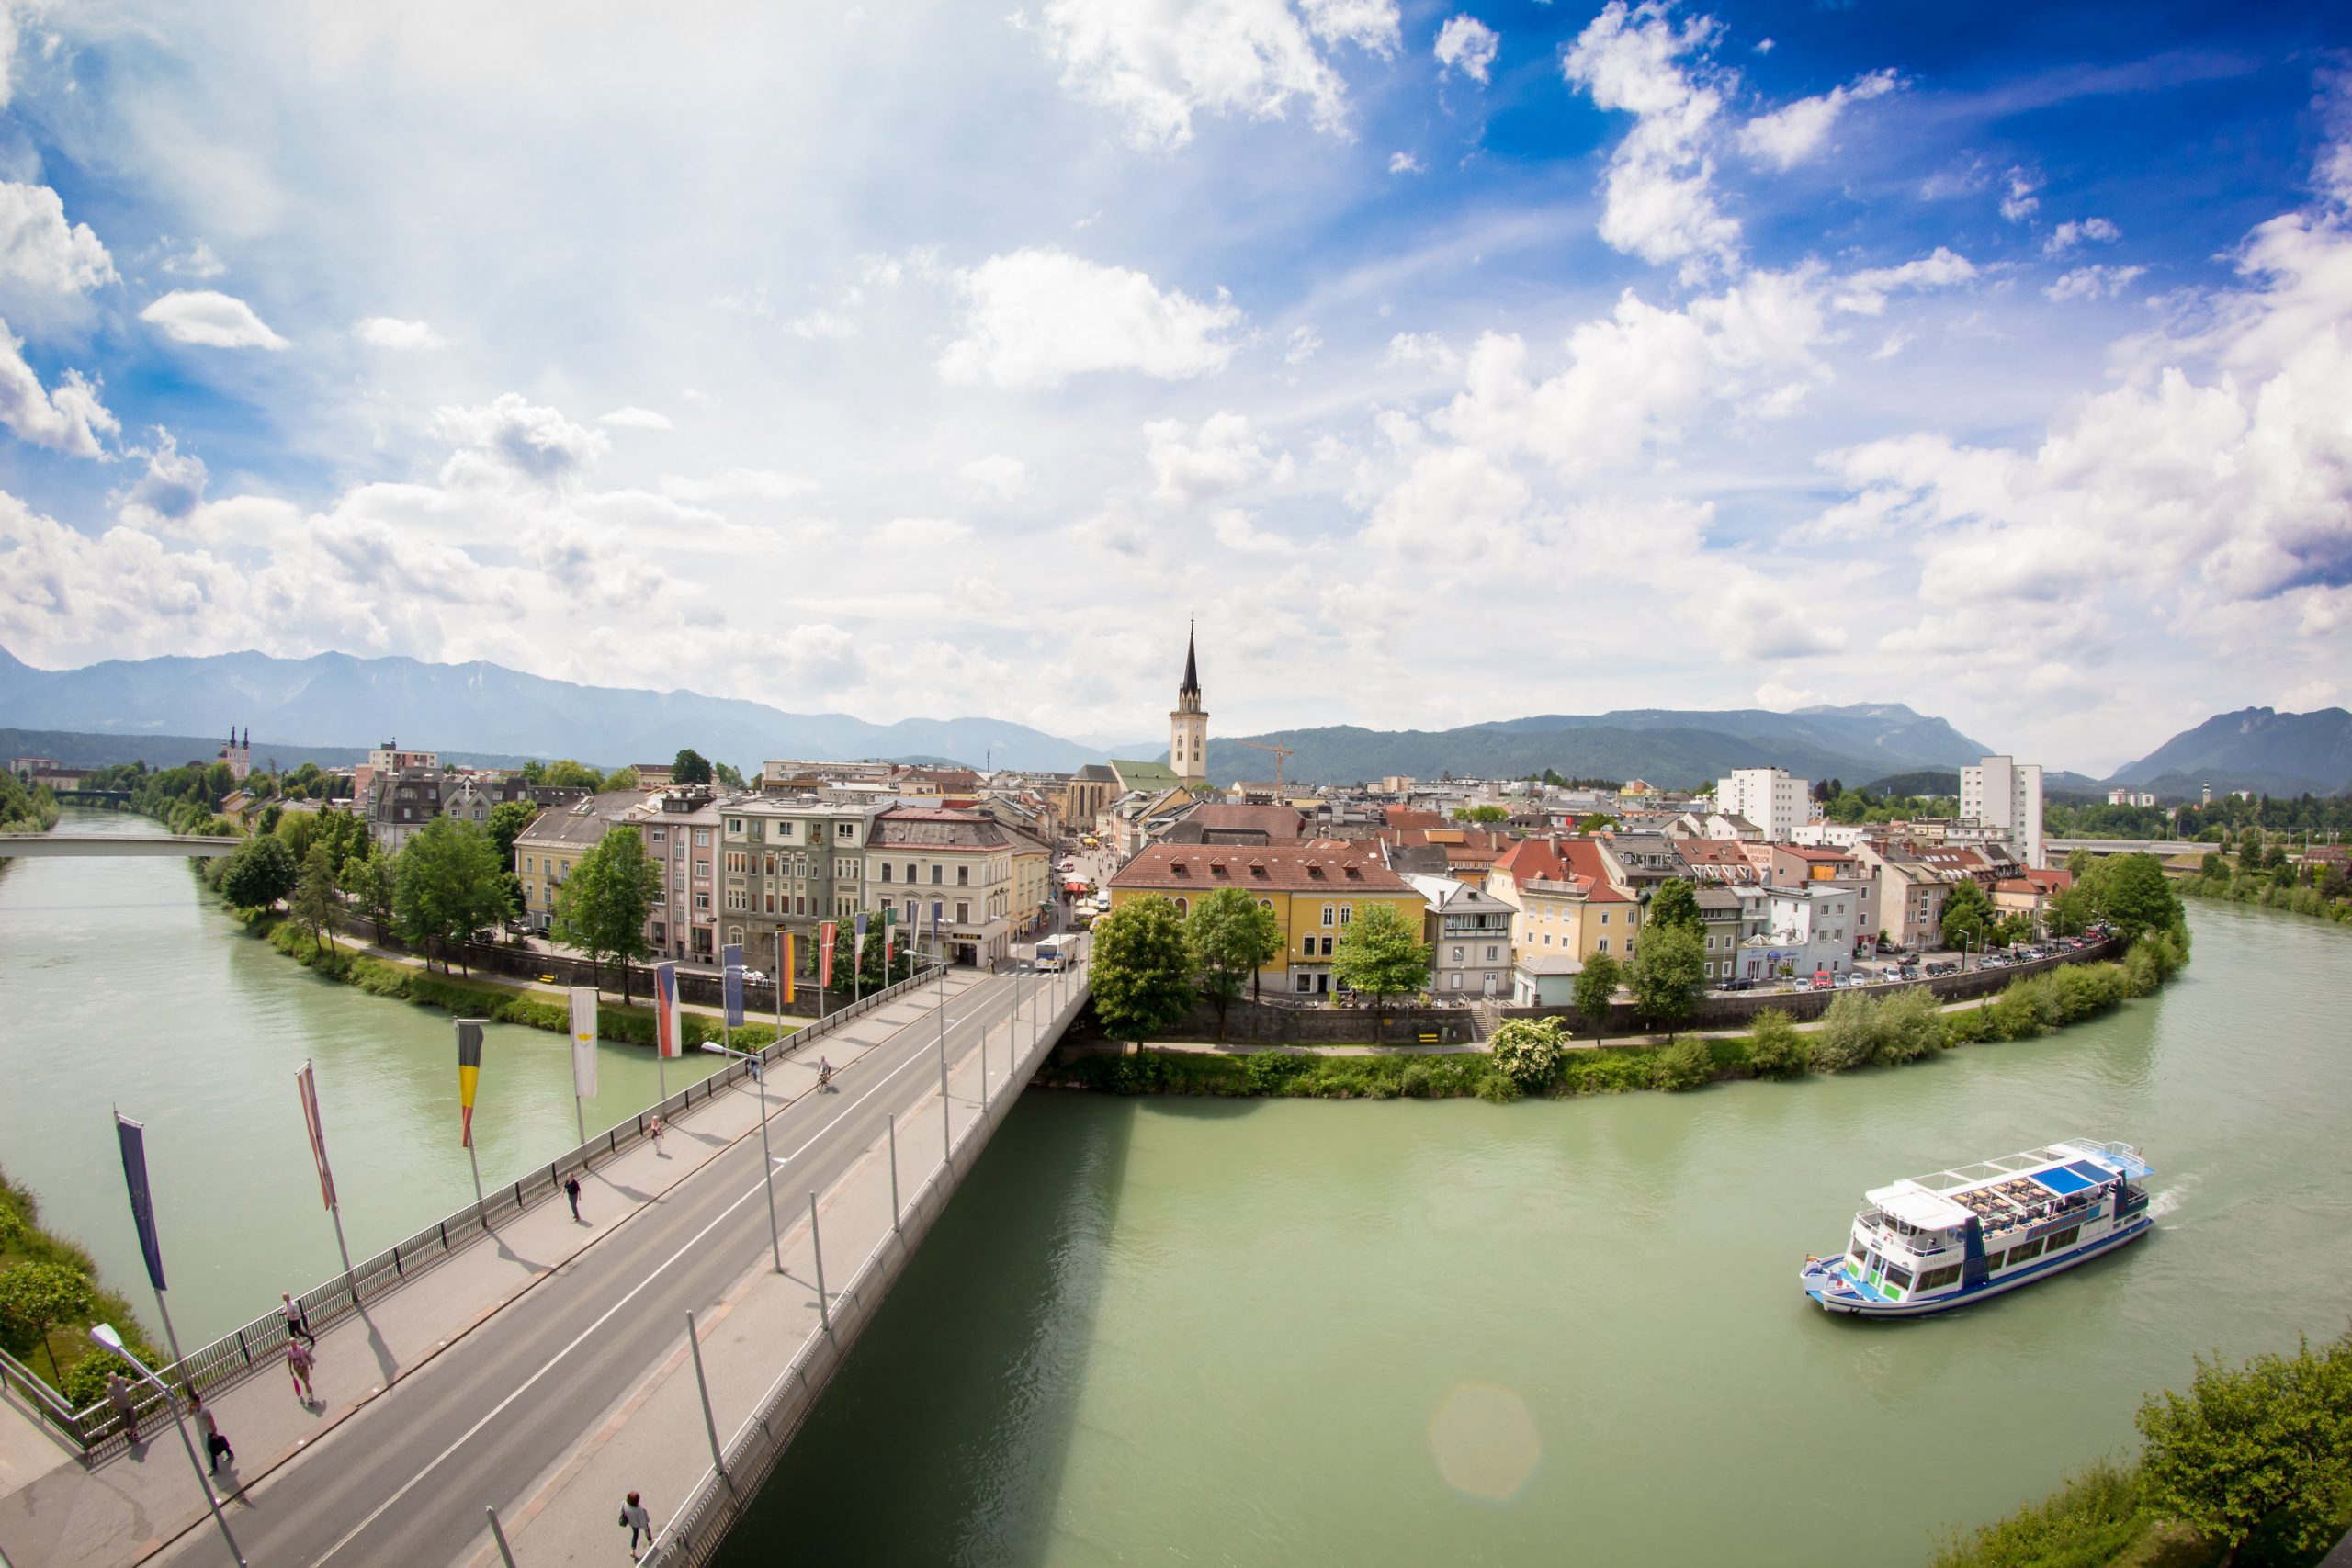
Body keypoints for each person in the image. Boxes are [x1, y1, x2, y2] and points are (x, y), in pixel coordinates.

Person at [189, 1392, 234, 1472]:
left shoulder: (204, 1410)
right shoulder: (198, 1408)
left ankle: (214, 1468)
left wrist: (215, 1433)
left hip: (211, 1432)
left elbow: (211, 1421)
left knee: (211, 1449)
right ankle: (229, 1453)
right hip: (208, 1431)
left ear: (196, 1401)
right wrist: (189, 1406)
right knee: (218, 1443)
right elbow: (189, 1413)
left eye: (192, 1402)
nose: (191, 1403)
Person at [106, 1372, 140, 1444]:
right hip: (120, 1406)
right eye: (115, 1379)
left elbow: (127, 1380)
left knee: (133, 1417)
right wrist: (113, 1404)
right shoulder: (110, 1388)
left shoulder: (120, 1380)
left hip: (128, 1403)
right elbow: (110, 1398)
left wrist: (135, 1383)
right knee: (126, 1420)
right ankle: (129, 1432)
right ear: (111, 1380)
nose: (117, 1380)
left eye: (116, 1378)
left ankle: (133, 1433)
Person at [620, 1490, 653, 1561]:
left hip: (631, 1522)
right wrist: (645, 1528)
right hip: (637, 1522)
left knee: (635, 1534)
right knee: (647, 1530)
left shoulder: (624, 1503)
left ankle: (633, 1550)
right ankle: (650, 1541)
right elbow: (643, 1521)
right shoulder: (639, 1510)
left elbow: (621, 1511)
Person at [285, 1337, 315, 1404]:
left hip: (304, 1366)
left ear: (296, 1343)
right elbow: (289, 1360)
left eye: (294, 1343)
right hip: (297, 1368)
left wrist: (310, 1363)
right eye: (292, 1344)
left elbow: (306, 1355)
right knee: (305, 1381)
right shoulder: (289, 1351)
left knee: (306, 1381)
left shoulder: (301, 1348)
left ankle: (310, 1397)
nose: (293, 1345)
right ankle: (309, 1389)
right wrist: (290, 1369)